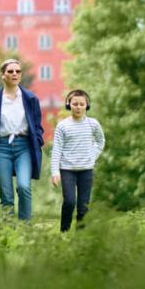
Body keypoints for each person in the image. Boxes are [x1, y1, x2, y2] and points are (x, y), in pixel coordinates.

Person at [0, 58, 44, 220]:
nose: (15, 74)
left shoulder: (30, 99)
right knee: (6, 195)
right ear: (3, 75)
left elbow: (37, 125)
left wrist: (38, 140)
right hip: (1, 147)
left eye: (18, 71)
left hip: (24, 147)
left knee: (24, 187)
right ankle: (9, 231)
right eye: (10, 71)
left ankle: (25, 229)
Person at [50, 89, 106, 232]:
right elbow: (57, 149)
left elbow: (100, 142)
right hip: (67, 169)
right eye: (75, 104)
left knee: (83, 206)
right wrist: (55, 172)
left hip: (86, 170)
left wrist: (92, 156)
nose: (78, 107)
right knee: (69, 202)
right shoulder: (62, 126)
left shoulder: (93, 124)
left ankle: (80, 236)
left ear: (87, 105)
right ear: (69, 105)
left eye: (82, 104)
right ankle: (64, 231)